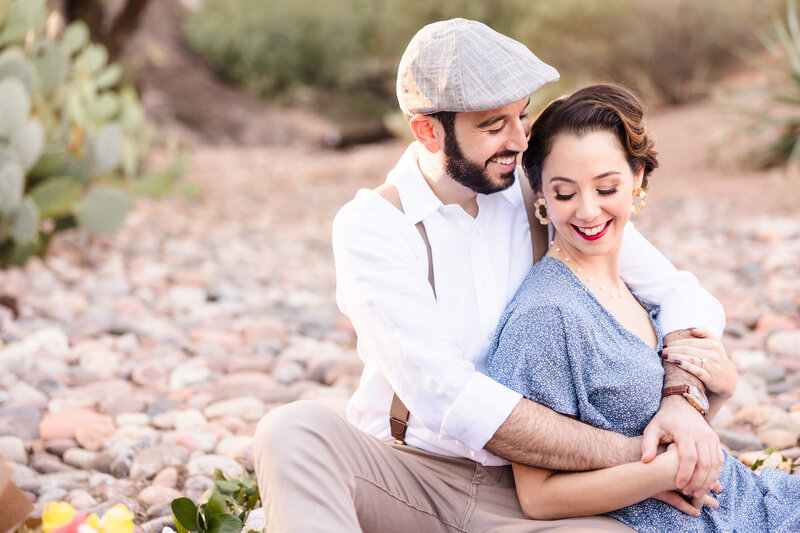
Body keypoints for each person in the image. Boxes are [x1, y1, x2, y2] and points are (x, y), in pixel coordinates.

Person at [252, 19, 727, 532]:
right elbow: (448, 396)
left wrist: (681, 401)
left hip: (535, 495)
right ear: (427, 130)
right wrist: (640, 458)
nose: (520, 141)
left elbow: (682, 294)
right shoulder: (373, 227)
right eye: (492, 124)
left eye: (521, 116)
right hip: (409, 478)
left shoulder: (545, 197)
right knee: (290, 430)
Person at [486, 83, 800, 532]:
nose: (588, 211)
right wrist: (660, 474)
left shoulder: (631, 285)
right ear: (540, 194)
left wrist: (714, 397)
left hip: (747, 502)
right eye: (565, 193)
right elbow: (537, 497)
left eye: (606, 187)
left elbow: (649, 429)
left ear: (638, 180)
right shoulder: (546, 313)